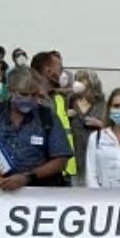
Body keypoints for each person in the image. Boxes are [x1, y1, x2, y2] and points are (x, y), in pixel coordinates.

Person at [0, 66, 73, 189]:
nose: (29, 99)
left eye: (34, 95)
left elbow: (61, 159)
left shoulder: (47, 117)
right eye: (23, 94)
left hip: (37, 194)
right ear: (10, 91)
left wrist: (27, 177)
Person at [31, 51, 77, 182]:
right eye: (60, 68)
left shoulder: (54, 97)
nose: (63, 74)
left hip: (59, 171)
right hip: (38, 173)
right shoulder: (32, 101)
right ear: (48, 71)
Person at [69, 70, 106, 186]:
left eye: (81, 79)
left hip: (95, 151)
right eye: (76, 79)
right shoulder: (70, 100)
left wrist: (99, 123)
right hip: (76, 152)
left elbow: (112, 127)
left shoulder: (101, 103)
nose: (77, 83)